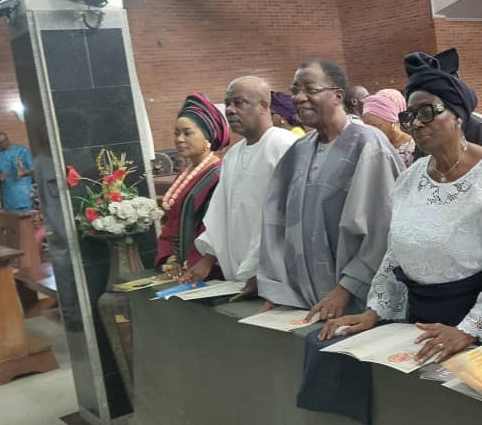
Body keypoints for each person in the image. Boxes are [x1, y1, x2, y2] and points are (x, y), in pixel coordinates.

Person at [322, 51, 482, 363]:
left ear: (458, 115)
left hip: (473, 333)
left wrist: (469, 330)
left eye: (427, 112)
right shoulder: (411, 179)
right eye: (410, 116)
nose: (417, 124)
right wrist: (374, 311)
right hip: (417, 326)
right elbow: (396, 254)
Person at [257, 60, 403, 320]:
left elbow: (384, 228)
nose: (299, 98)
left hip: (356, 304)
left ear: (337, 95)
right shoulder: (298, 150)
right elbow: (275, 222)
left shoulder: (369, 145)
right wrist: (277, 288)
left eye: (310, 89)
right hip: (303, 300)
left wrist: (346, 288)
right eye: (295, 90)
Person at [183, 76, 298, 295]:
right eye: (228, 103)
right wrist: (207, 260)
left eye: (239, 102)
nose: (230, 110)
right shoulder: (233, 154)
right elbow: (220, 213)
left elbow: (287, 216)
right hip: (237, 275)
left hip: (276, 275)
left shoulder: (284, 145)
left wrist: (264, 272)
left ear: (263, 106)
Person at [156, 94, 230, 279]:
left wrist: (193, 264)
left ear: (207, 137)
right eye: (176, 133)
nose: (179, 139)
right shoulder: (185, 174)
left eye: (187, 133)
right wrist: (171, 259)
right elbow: (172, 222)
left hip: (207, 269)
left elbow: (213, 227)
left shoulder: (218, 175)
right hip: (183, 267)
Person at [361, 88, 416, 167]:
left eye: (376, 127)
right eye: (366, 127)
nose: (370, 132)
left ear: (393, 122)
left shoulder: (414, 149)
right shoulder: (369, 148)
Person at [0, 132, 34, 210]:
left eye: (1, 143)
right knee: (10, 216)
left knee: (29, 215)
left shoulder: (22, 150)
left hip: (25, 193)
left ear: (7, 141)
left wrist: (24, 172)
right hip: (7, 195)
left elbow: (33, 171)